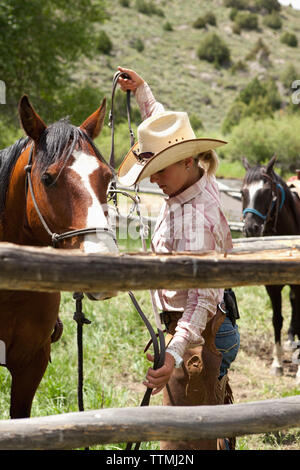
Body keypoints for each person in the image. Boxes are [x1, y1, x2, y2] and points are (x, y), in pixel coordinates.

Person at [117, 66, 240, 450]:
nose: (153, 178)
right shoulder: (196, 176)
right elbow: (164, 126)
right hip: (202, 326)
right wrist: (143, 92)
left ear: (186, 161)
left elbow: (202, 298)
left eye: (159, 169)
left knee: (184, 441)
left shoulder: (196, 220)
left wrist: (172, 352)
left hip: (199, 331)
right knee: (193, 428)